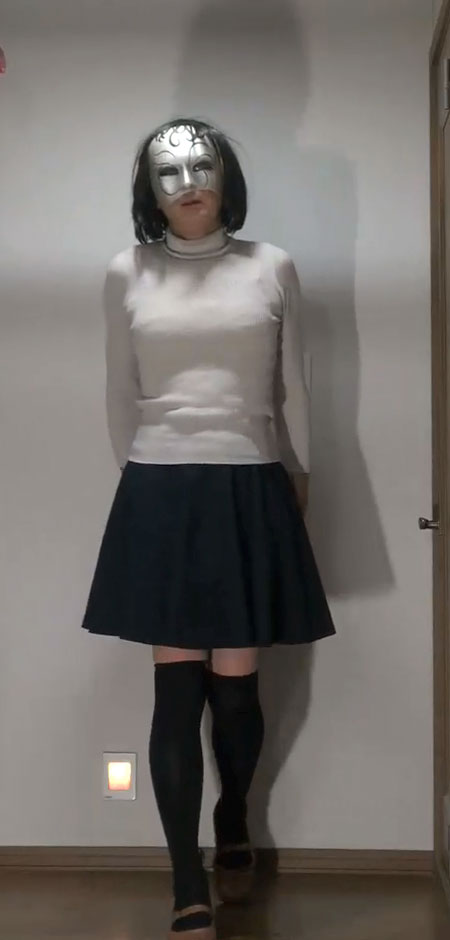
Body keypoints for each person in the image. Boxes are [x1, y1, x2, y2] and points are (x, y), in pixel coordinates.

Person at [81, 117, 336, 940]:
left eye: (202, 165)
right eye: (169, 171)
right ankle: (186, 880)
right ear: (148, 190)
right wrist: (141, 480)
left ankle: (233, 816)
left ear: (225, 177)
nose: (188, 182)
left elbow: (294, 384)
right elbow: (118, 388)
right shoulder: (127, 271)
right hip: (160, 486)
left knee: (236, 686)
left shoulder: (272, 266)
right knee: (176, 689)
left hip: (251, 479)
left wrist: (300, 472)